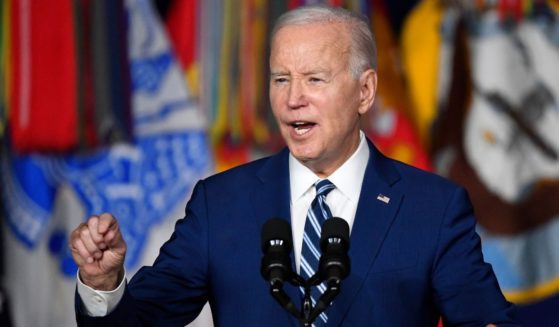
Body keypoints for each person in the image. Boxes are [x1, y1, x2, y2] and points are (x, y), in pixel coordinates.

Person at [70, 5, 519, 326]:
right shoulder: (221, 203)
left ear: (365, 91)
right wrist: (103, 284)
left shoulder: (433, 207)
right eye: (281, 79)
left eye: (314, 79)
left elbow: (483, 317)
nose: (292, 98)